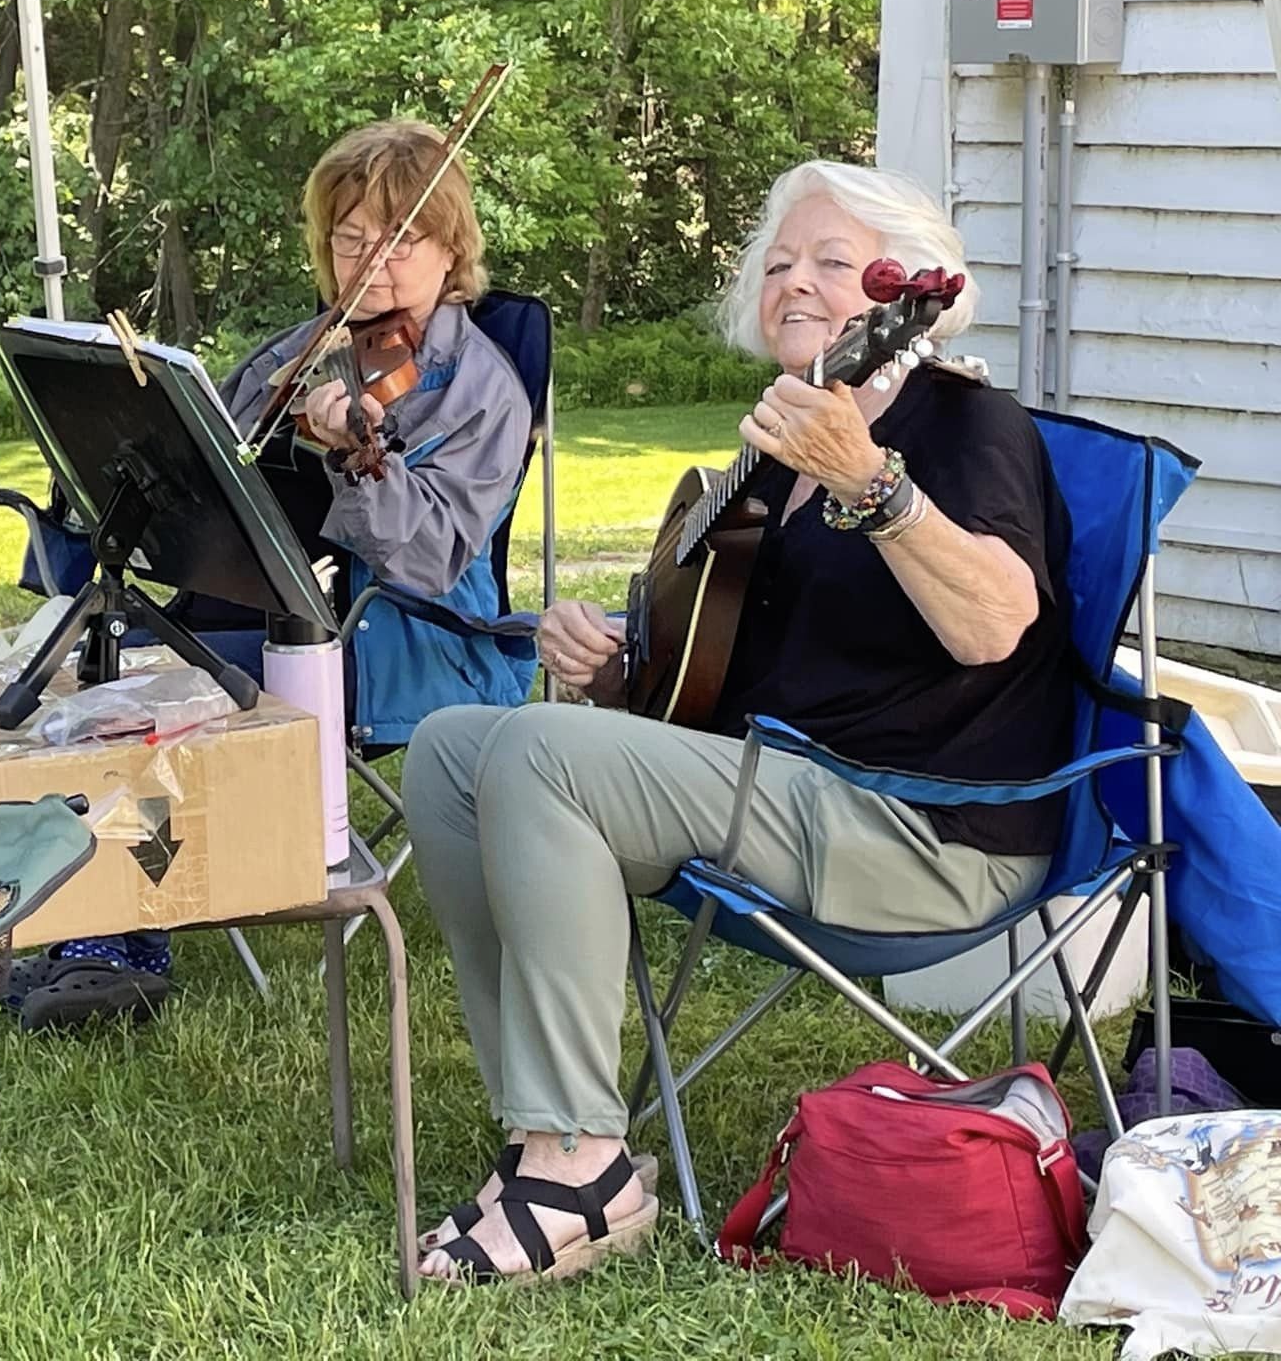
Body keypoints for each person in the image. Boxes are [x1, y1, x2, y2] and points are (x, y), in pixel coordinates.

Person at [400, 160, 1074, 1285]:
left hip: (923, 829)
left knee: (535, 752)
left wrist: (872, 482)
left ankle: (580, 1170)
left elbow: (995, 624)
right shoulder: (766, 463)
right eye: (774, 264)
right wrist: (615, 670)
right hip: (780, 793)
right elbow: (696, 699)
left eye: (828, 260)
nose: (794, 282)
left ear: (909, 286)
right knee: (453, 747)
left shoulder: (963, 425)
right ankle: (541, 1120)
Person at [10, 120, 537, 1031]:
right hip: (244, 605)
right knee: (91, 659)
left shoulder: (479, 388)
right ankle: (91, 909)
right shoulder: (298, 350)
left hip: (391, 635)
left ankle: (123, 939)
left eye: (400, 238)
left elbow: (433, 554)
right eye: (350, 237)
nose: (372, 261)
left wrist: (353, 459)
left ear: (452, 250)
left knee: (145, 692)